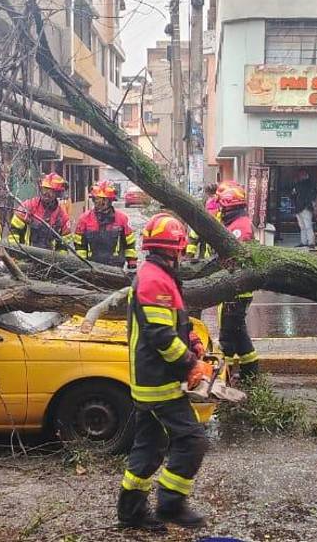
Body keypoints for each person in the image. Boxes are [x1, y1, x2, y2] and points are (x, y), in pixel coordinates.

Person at [118, 213, 210, 531]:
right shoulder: (155, 279)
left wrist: (194, 341)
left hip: (151, 379)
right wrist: (190, 363)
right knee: (192, 440)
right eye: (180, 251)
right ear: (174, 249)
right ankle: (171, 503)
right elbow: (161, 337)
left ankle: (130, 514)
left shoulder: (160, 276)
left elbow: (173, 322)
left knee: (149, 447)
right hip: (158, 381)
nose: (182, 256)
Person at [216, 183, 259, 378]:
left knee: (227, 335)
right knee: (239, 333)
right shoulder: (235, 222)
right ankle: (250, 372)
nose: (220, 210)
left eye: (223, 207)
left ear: (230, 207)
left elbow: (233, 258)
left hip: (237, 290)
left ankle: (221, 376)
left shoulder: (239, 227)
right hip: (235, 288)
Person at [74, 180, 137, 269]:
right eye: (97, 199)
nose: (99, 203)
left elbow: (129, 244)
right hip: (92, 266)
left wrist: (132, 263)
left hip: (116, 267)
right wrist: (82, 265)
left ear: (110, 201)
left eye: (103, 200)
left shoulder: (121, 219)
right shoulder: (84, 219)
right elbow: (79, 245)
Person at [9, 172, 71, 251]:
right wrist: (15, 251)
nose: (45, 193)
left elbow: (64, 247)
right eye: (44, 189)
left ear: (57, 193)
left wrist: (58, 262)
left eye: (50, 191)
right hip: (26, 256)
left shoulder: (62, 217)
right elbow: (14, 231)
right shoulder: (29, 206)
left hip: (49, 260)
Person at [291, 171, 317, 248]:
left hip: (302, 207)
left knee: (305, 226)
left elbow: (293, 195)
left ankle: (308, 242)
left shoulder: (302, 185)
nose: (300, 176)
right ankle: (307, 242)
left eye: (301, 175)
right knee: (305, 226)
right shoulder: (309, 185)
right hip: (304, 207)